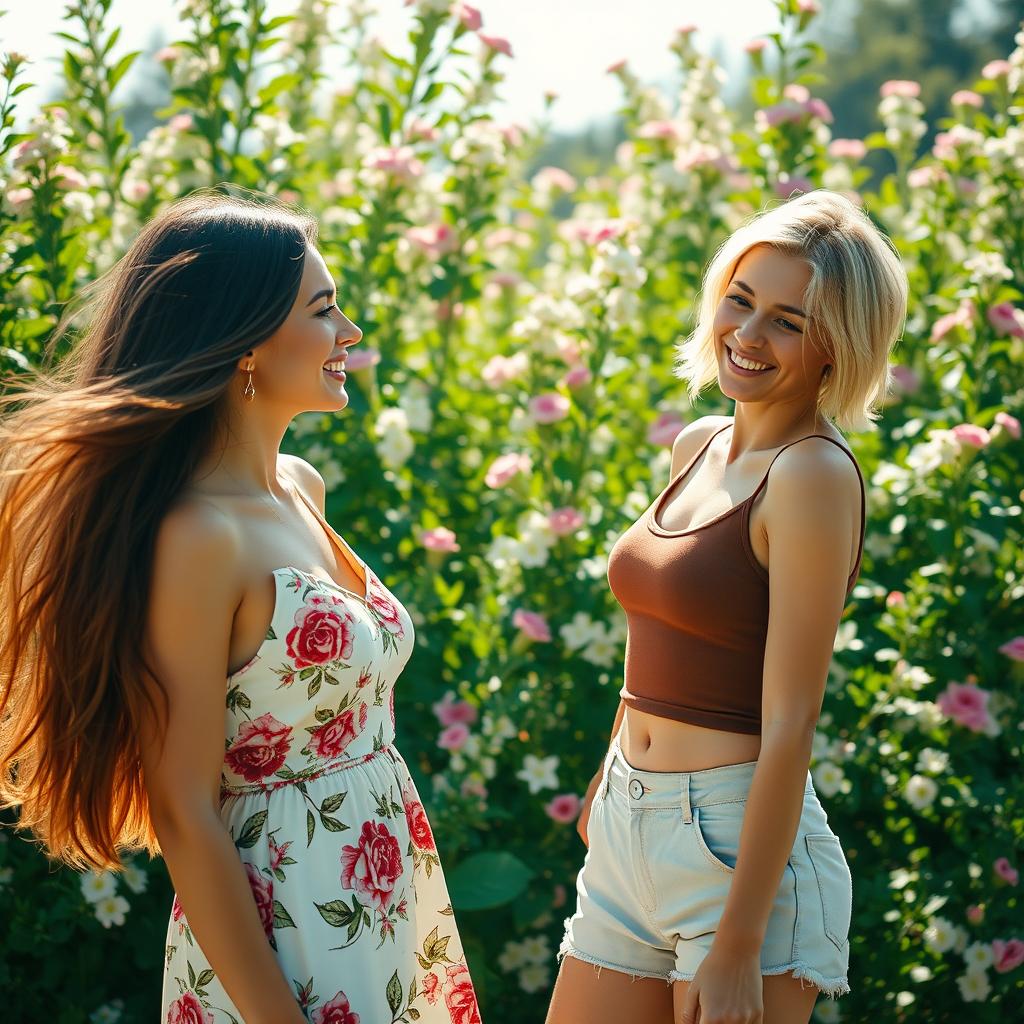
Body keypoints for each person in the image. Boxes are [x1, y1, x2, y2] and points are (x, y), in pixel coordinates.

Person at [0, 190, 480, 1024]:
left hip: (384, 896)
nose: (350, 334)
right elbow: (183, 806)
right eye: (325, 310)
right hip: (283, 930)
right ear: (246, 341)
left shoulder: (301, 488)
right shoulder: (198, 536)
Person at [545, 190, 908, 1024]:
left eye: (787, 320)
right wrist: (612, 773)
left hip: (739, 854)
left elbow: (790, 721)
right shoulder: (699, 443)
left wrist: (740, 943)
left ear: (835, 348)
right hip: (634, 824)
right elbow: (659, 634)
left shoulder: (811, 475)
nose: (747, 335)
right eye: (740, 302)